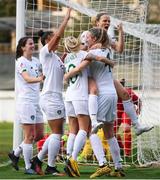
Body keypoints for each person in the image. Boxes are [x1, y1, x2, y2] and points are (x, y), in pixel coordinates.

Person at [64, 28, 124, 178]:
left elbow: (84, 58)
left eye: (89, 37)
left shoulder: (81, 55)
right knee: (110, 133)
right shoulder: (107, 51)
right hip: (112, 94)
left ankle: (100, 163)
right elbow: (112, 62)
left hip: (99, 95)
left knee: (90, 130)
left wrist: (67, 74)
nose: (86, 40)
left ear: (96, 39)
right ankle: (118, 167)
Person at [81, 12, 153, 136]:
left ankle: (137, 125)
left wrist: (121, 32)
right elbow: (80, 50)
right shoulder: (89, 35)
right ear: (97, 22)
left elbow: (119, 49)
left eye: (109, 21)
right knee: (90, 123)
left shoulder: (107, 38)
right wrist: (91, 47)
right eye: (105, 21)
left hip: (105, 75)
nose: (107, 23)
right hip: (92, 76)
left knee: (125, 94)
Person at [31, 8, 71, 176]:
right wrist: (66, 18)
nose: (57, 40)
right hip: (50, 97)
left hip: (54, 96)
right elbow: (58, 37)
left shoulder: (54, 56)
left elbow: (58, 70)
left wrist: (65, 56)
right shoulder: (45, 52)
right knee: (57, 133)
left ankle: (38, 160)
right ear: (48, 40)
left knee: (57, 133)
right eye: (53, 38)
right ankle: (51, 167)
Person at [8, 37, 45, 174]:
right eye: (29, 43)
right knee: (29, 136)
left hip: (36, 101)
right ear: (23, 47)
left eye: (33, 43)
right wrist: (40, 78)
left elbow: (44, 72)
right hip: (26, 102)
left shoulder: (36, 61)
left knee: (40, 134)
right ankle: (29, 167)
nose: (32, 45)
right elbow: (27, 78)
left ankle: (16, 153)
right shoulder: (20, 62)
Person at [114, 78, 142, 156]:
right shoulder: (112, 93)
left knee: (126, 129)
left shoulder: (129, 92)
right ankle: (121, 147)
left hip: (127, 112)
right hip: (117, 113)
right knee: (112, 132)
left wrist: (137, 112)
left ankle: (128, 152)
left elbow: (139, 102)